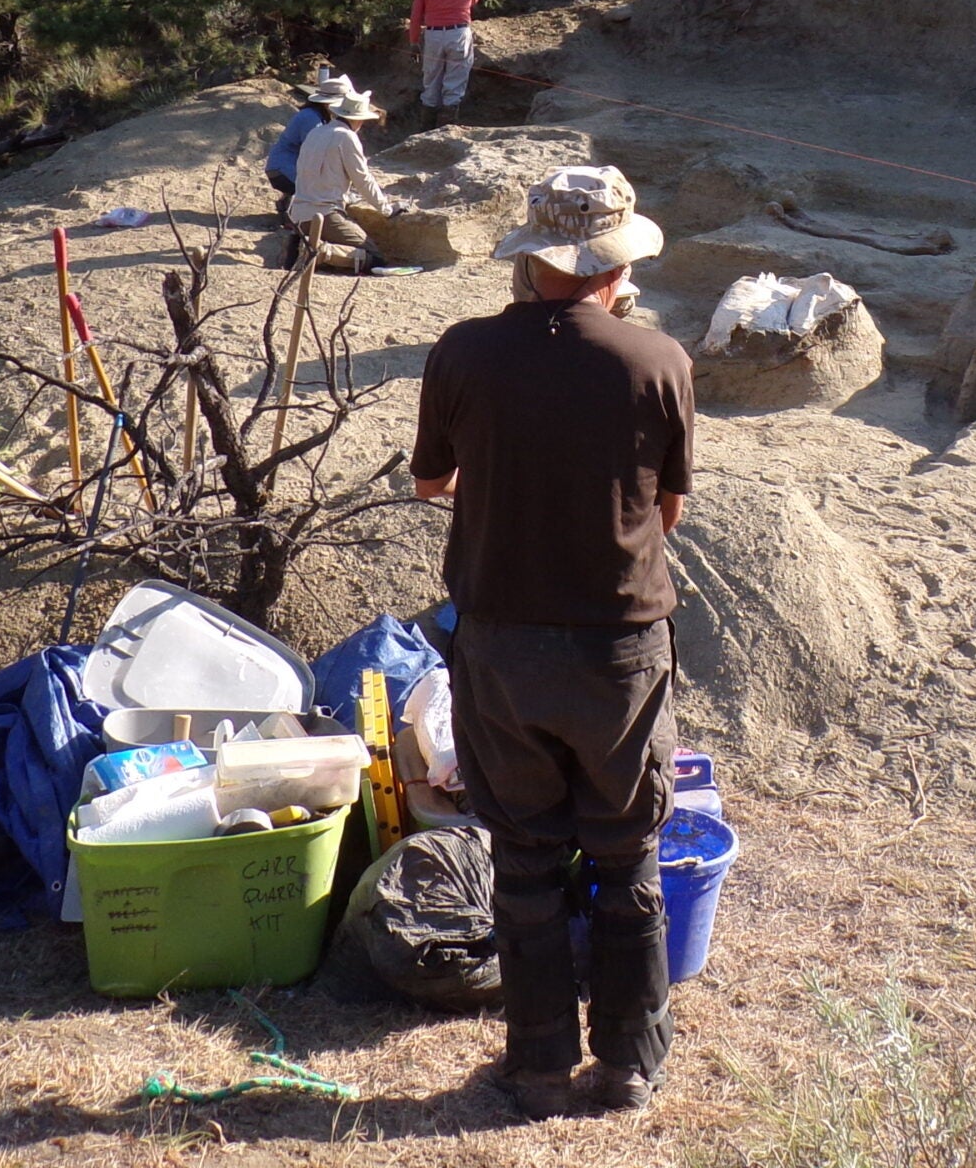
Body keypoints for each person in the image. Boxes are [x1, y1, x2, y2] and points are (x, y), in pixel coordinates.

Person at [409, 166, 691, 1119]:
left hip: (499, 644)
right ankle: (626, 1068)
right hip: (619, 646)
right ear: (615, 266)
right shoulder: (656, 360)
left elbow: (431, 484)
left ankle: (534, 1067)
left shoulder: (462, 352)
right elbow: (670, 512)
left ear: (530, 257)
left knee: (524, 853)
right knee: (626, 856)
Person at [286, 87, 390, 273]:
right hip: (325, 213)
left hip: (299, 213)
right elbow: (363, 178)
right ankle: (318, 252)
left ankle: (306, 245)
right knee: (374, 258)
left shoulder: (316, 132)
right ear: (358, 119)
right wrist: (385, 208)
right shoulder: (347, 137)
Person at [264, 71, 355, 223]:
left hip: (280, 167)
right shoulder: (312, 119)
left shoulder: (313, 115)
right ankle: (293, 213)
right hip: (283, 170)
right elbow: (316, 153)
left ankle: (286, 203)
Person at [410, 0, 481, 123]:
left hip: (433, 34)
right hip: (458, 33)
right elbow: (473, 2)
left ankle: (426, 129)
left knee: (431, 82)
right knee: (455, 83)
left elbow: (416, 14)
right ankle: (446, 128)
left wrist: (414, 40)